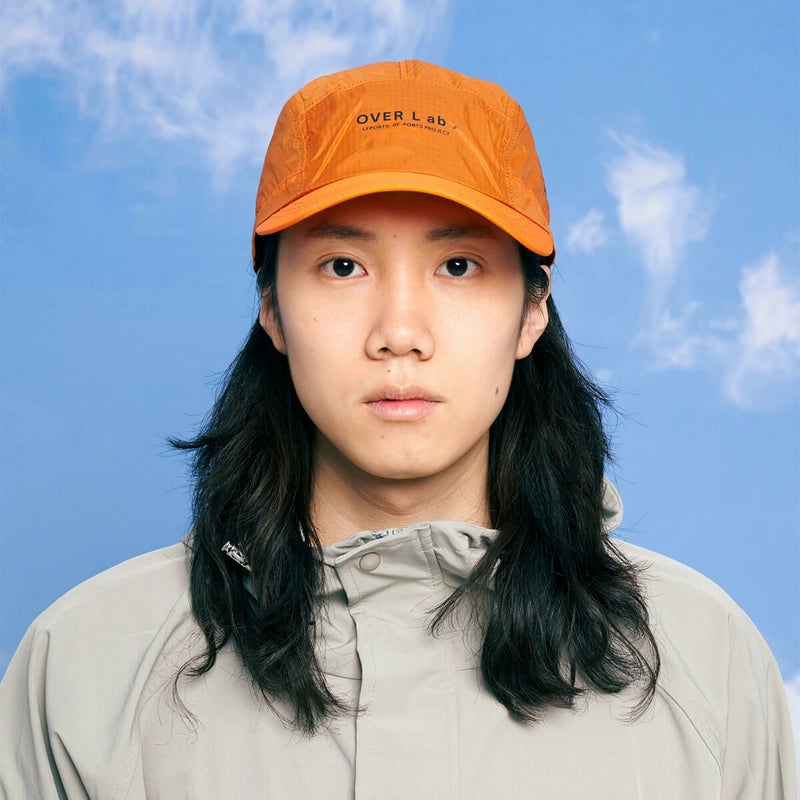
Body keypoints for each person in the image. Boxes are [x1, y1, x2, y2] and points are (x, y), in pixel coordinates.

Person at [0, 60, 795, 800]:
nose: (400, 333)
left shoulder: (706, 662)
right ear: (272, 308)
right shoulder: (86, 668)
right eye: (343, 266)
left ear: (532, 310)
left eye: (459, 266)